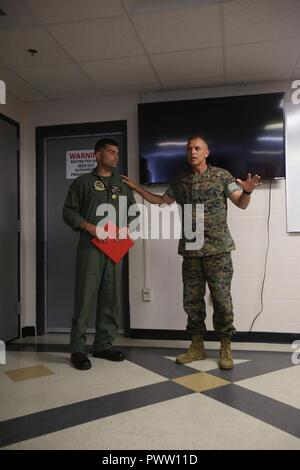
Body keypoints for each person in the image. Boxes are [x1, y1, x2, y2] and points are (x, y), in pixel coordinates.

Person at [122, 135, 261, 370]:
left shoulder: (222, 176)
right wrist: (137, 188)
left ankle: (225, 346)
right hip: (191, 251)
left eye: (197, 148)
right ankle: (197, 346)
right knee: (192, 303)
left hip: (218, 251)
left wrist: (247, 191)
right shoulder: (181, 180)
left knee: (222, 301)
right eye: (189, 149)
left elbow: (241, 203)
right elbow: (161, 201)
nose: (192, 152)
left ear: (206, 152)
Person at [63, 138, 137, 370]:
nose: (115, 156)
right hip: (91, 247)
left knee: (111, 296)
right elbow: (69, 212)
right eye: (110, 152)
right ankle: (77, 348)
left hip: (115, 247)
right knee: (85, 297)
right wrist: (90, 227)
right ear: (97, 155)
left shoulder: (122, 184)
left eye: (117, 153)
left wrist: (128, 227)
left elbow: (134, 212)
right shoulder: (83, 182)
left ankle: (103, 344)